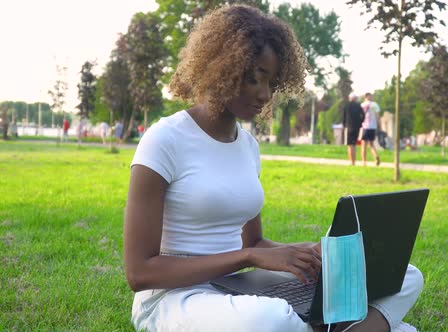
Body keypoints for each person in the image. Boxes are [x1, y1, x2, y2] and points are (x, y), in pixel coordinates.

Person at [124, 5, 423, 332]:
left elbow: (255, 242)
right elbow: (140, 273)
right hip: (173, 298)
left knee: (407, 276)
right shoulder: (164, 139)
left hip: (238, 289)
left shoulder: (248, 146)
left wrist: (305, 254)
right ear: (222, 67)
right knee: (271, 320)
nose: (265, 95)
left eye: (273, 83)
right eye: (254, 79)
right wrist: (248, 257)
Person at [342, 93, 364, 166]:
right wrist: (360, 123)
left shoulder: (347, 106)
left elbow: (344, 116)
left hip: (349, 127)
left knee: (349, 145)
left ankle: (351, 162)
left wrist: (344, 125)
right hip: (357, 127)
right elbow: (363, 115)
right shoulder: (359, 106)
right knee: (354, 144)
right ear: (355, 98)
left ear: (350, 98)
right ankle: (354, 161)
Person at [360, 93, 381, 166]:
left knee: (363, 144)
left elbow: (360, 116)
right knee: (371, 144)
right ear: (369, 96)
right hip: (373, 126)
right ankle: (376, 156)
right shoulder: (375, 104)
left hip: (365, 126)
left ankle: (364, 161)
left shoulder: (362, 105)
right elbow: (378, 116)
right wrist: (379, 125)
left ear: (365, 97)